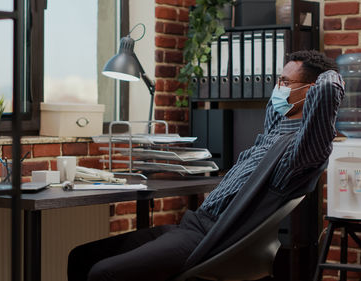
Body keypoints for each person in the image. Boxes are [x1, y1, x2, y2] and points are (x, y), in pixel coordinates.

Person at [67, 50, 345, 281]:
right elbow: (276, 110)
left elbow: (329, 87)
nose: (278, 89)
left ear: (310, 91)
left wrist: (328, 75)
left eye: (285, 83)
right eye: (278, 81)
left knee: (102, 274)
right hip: (191, 225)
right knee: (81, 257)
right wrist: (290, 87)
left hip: (210, 238)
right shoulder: (276, 131)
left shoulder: (302, 152)